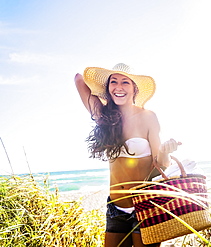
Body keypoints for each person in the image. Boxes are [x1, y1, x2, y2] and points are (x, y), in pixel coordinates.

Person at [75, 63, 180, 247]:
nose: (119, 87)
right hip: (115, 208)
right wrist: (104, 95)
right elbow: (79, 79)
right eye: (113, 82)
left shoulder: (148, 117)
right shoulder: (104, 117)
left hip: (146, 206)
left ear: (134, 89)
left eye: (125, 82)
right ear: (107, 88)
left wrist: (165, 151)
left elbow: (162, 164)